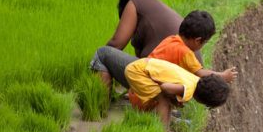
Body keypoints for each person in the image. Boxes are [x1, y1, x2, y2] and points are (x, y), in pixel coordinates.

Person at [92, 10, 236, 91]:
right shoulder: (184, 52)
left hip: (143, 78)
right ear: (198, 40)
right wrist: (222, 76)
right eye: (204, 42)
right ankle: (101, 104)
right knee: (103, 53)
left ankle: (103, 107)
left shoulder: (172, 40)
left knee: (103, 54)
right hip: (143, 79)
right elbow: (200, 73)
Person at [88, 0, 189, 87]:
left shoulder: (134, 2)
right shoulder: (159, 10)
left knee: (102, 54)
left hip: (164, 78)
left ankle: (101, 102)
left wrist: (94, 66)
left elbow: (116, 44)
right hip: (187, 84)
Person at [123, 57, 230, 125]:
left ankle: (162, 126)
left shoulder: (194, 79)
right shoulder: (188, 90)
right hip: (138, 72)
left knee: (166, 102)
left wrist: (173, 100)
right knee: (164, 102)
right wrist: (170, 98)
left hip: (143, 64)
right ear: (203, 101)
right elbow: (165, 87)